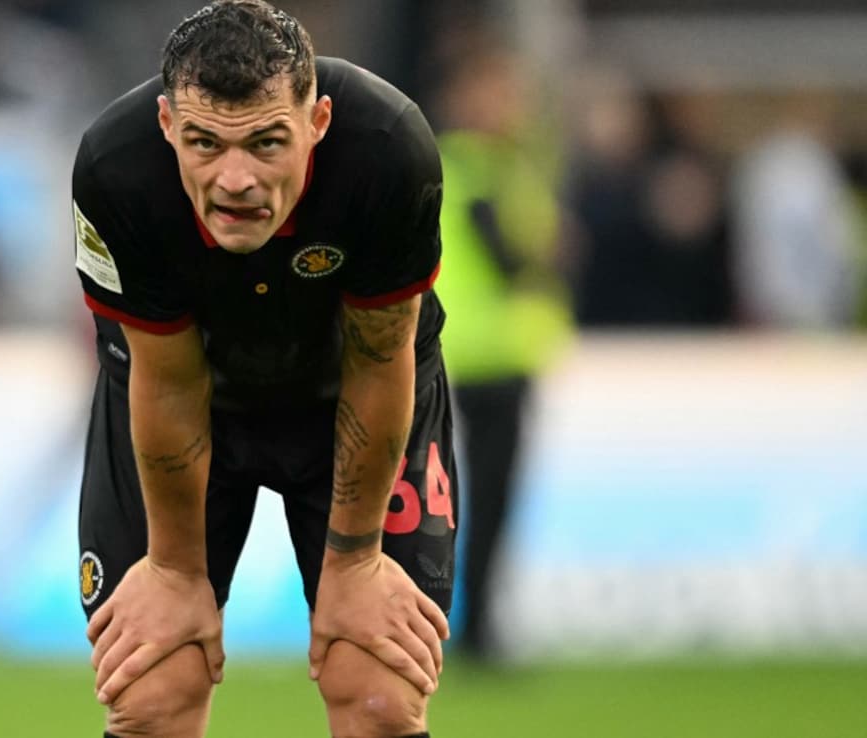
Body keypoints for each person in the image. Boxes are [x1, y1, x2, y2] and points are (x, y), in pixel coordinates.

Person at [70, 2, 455, 736]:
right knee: (153, 693)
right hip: (184, 394)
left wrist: (355, 561)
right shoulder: (116, 171)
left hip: (353, 390)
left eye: (267, 142)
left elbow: (380, 358)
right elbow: (169, 379)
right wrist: (176, 572)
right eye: (204, 144)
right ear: (166, 126)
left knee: (378, 692)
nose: (235, 179)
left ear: (318, 122)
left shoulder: (387, 150)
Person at [433, 43, 572, 662]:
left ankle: (474, 620)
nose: (508, 106)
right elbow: (510, 258)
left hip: (475, 353)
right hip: (492, 356)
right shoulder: (480, 168)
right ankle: (478, 629)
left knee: (469, 497)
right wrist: (551, 252)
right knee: (489, 497)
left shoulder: (467, 164)